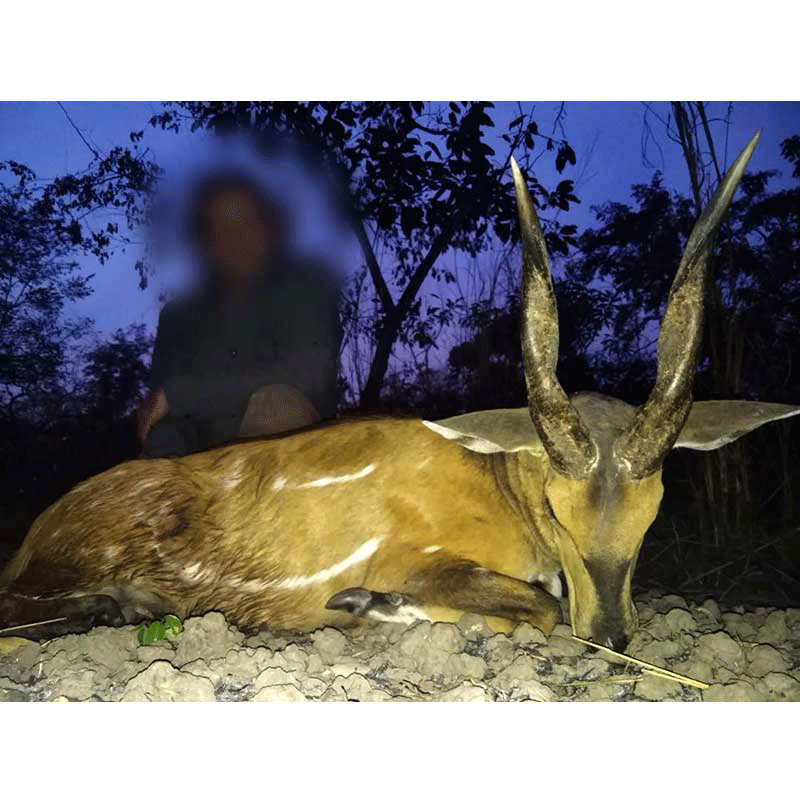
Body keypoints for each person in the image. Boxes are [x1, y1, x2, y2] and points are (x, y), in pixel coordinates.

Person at [137, 171, 342, 458]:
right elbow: (160, 414)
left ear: (269, 230)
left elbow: (309, 377)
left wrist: (180, 395)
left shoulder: (307, 290)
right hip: (202, 466)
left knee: (277, 405)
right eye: (218, 227)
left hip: (287, 456)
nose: (233, 238)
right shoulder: (177, 316)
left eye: (245, 223)